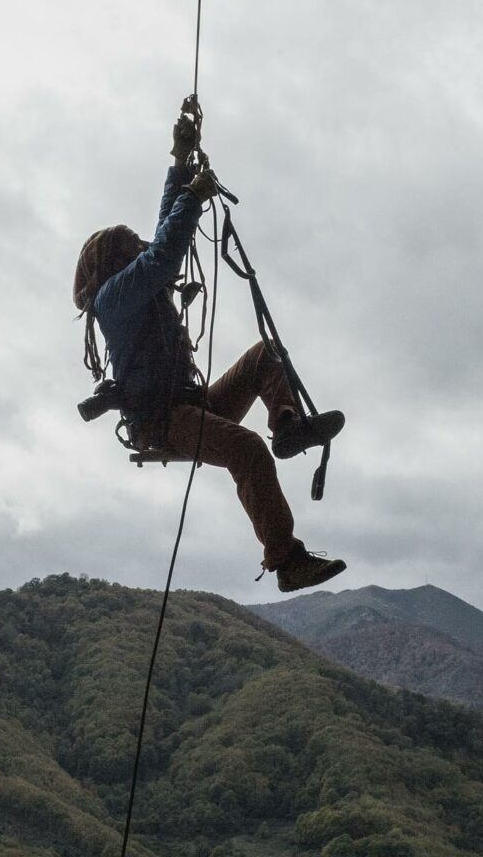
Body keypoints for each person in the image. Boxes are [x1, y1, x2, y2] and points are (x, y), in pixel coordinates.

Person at [73, 105, 347, 592]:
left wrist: (179, 163)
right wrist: (192, 199)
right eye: (129, 247)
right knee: (245, 451)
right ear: (115, 261)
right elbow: (161, 255)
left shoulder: (132, 286)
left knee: (264, 355)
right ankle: (286, 560)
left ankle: (287, 425)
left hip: (188, 403)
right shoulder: (114, 297)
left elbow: (161, 237)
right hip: (161, 419)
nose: (140, 246)